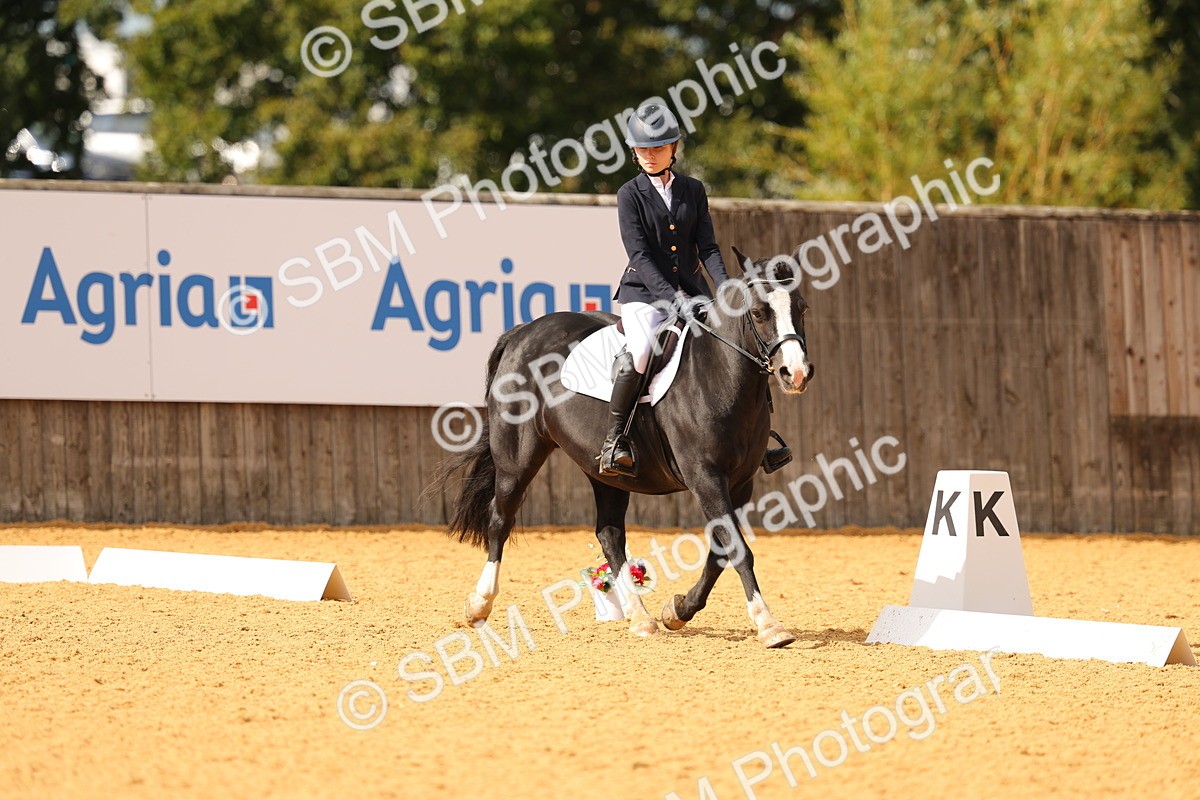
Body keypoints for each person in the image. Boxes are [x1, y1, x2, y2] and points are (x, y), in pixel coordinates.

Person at [598, 103, 731, 477]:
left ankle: (758, 437)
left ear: (675, 148)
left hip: (694, 291)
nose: (650, 155)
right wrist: (673, 301)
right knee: (642, 351)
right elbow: (639, 254)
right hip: (644, 294)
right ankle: (615, 440)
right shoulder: (630, 194)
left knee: (734, 344)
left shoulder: (694, 190)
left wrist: (726, 291)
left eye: (657, 148)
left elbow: (707, 248)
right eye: (643, 149)